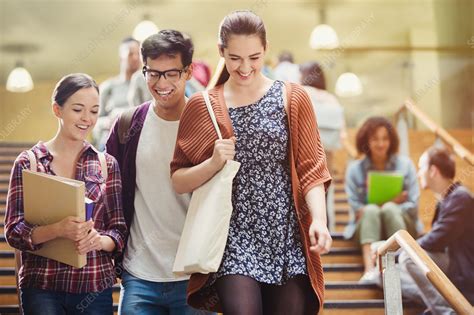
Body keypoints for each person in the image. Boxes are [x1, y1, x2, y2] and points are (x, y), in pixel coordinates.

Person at [171, 10, 332, 314]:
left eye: (254, 58)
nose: (245, 68)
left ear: (266, 50)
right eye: (235, 58)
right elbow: (178, 179)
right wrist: (213, 162)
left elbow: (311, 168)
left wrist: (320, 221)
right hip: (233, 235)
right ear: (221, 52)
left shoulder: (293, 98)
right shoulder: (202, 105)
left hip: (286, 234)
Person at [4, 73, 127, 314]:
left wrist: (99, 240)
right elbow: (13, 231)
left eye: (94, 111)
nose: (87, 119)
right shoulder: (29, 163)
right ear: (57, 110)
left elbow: (119, 229)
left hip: (94, 286)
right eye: (78, 109)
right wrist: (57, 230)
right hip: (42, 287)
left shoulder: (106, 164)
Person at [106, 30, 202, 315]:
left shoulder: (206, 125)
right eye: (153, 73)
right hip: (139, 276)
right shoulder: (127, 126)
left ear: (188, 72)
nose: (162, 84)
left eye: (171, 73)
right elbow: (107, 195)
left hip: (193, 276)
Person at [344, 116, 421, 283]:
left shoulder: (405, 165)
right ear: (366, 141)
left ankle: (402, 269)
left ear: (391, 140)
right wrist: (393, 200)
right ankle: (370, 269)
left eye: (385, 139)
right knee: (372, 210)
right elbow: (357, 209)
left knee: (390, 209)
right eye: (375, 139)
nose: (380, 144)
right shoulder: (354, 170)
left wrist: (391, 205)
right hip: (368, 229)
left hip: (401, 226)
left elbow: (414, 206)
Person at [399, 147, 474, 315]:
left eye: (421, 168)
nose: (418, 174)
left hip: (464, 274)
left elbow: (436, 239)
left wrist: (402, 249)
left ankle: (448, 310)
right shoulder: (446, 200)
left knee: (408, 257)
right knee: (385, 273)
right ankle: (443, 303)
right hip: (451, 268)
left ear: (432, 170)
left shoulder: (461, 197)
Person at [300, 61, 347, 231]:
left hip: (306, 151)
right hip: (327, 153)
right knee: (326, 191)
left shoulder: (301, 92)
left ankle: (309, 227)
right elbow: (342, 133)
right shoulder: (331, 98)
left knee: (307, 190)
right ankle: (328, 227)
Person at [94, 37, 141, 149]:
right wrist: (108, 122)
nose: (135, 58)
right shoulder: (108, 87)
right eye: (130, 54)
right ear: (121, 57)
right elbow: (93, 121)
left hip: (138, 142)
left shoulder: (148, 86)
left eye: (138, 54)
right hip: (111, 142)